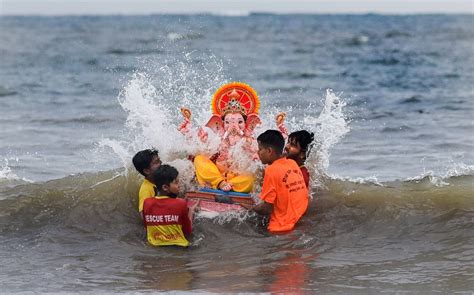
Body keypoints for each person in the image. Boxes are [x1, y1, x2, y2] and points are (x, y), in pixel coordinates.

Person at [249, 130, 309, 232]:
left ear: (269, 151)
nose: (258, 152)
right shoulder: (292, 163)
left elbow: (266, 209)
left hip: (280, 228)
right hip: (300, 221)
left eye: (260, 149)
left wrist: (248, 207)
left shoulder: (271, 170)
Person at [142, 165, 199, 247]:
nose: (179, 185)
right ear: (165, 187)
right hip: (179, 247)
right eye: (176, 182)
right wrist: (191, 211)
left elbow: (147, 227)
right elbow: (187, 231)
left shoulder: (147, 203)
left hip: (154, 247)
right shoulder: (181, 203)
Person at [132, 149, 162, 214]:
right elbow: (143, 215)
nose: (161, 162)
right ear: (147, 171)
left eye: (159, 160)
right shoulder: (146, 190)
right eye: (157, 162)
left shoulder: (159, 177)